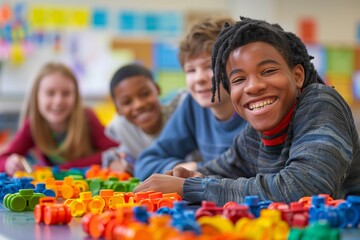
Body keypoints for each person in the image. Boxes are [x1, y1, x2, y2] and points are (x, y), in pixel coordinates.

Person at [133, 16, 360, 205]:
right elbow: (221, 169)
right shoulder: (254, 134)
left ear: (297, 75)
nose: (253, 86)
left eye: (268, 71)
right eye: (239, 79)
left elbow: (306, 188)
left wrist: (190, 186)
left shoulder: (321, 102)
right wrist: (190, 175)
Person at [135, 17, 248, 181]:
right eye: (191, 70)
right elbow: (145, 163)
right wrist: (188, 168)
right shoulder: (193, 104)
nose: (199, 78)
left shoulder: (256, 108)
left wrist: (203, 172)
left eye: (210, 66)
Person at [0, 62, 118, 175]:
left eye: (66, 93)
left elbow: (115, 150)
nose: (58, 101)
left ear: (75, 97)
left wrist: (63, 168)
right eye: (50, 93)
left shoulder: (87, 118)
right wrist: (9, 164)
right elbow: (3, 159)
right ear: (36, 97)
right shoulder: (33, 125)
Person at [102, 63, 187, 174]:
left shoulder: (179, 113)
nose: (139, 105)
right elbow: (117, 154)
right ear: (118, 109)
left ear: (157, 89)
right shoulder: (121, 126)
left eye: (145, 94)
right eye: (127, 102)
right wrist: (115, 161)